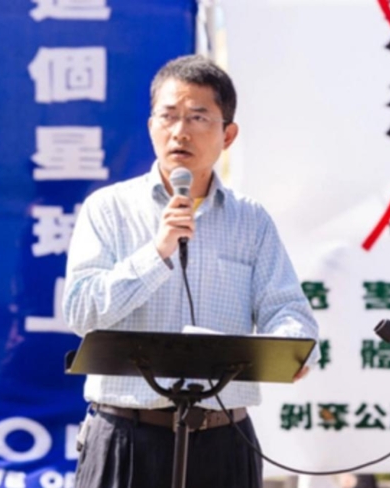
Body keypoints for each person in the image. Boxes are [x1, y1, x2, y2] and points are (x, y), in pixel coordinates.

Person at [63, 55, 319, 488]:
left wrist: (293, 347)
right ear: (151, 127)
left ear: (228, 134)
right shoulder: (107, 209)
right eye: (168, 116)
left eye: (198, 117)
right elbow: (81, 313)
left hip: (223, 441)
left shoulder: (251, 221)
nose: (180, 131)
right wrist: (157, 253)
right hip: (127, 436)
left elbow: (287, 309)